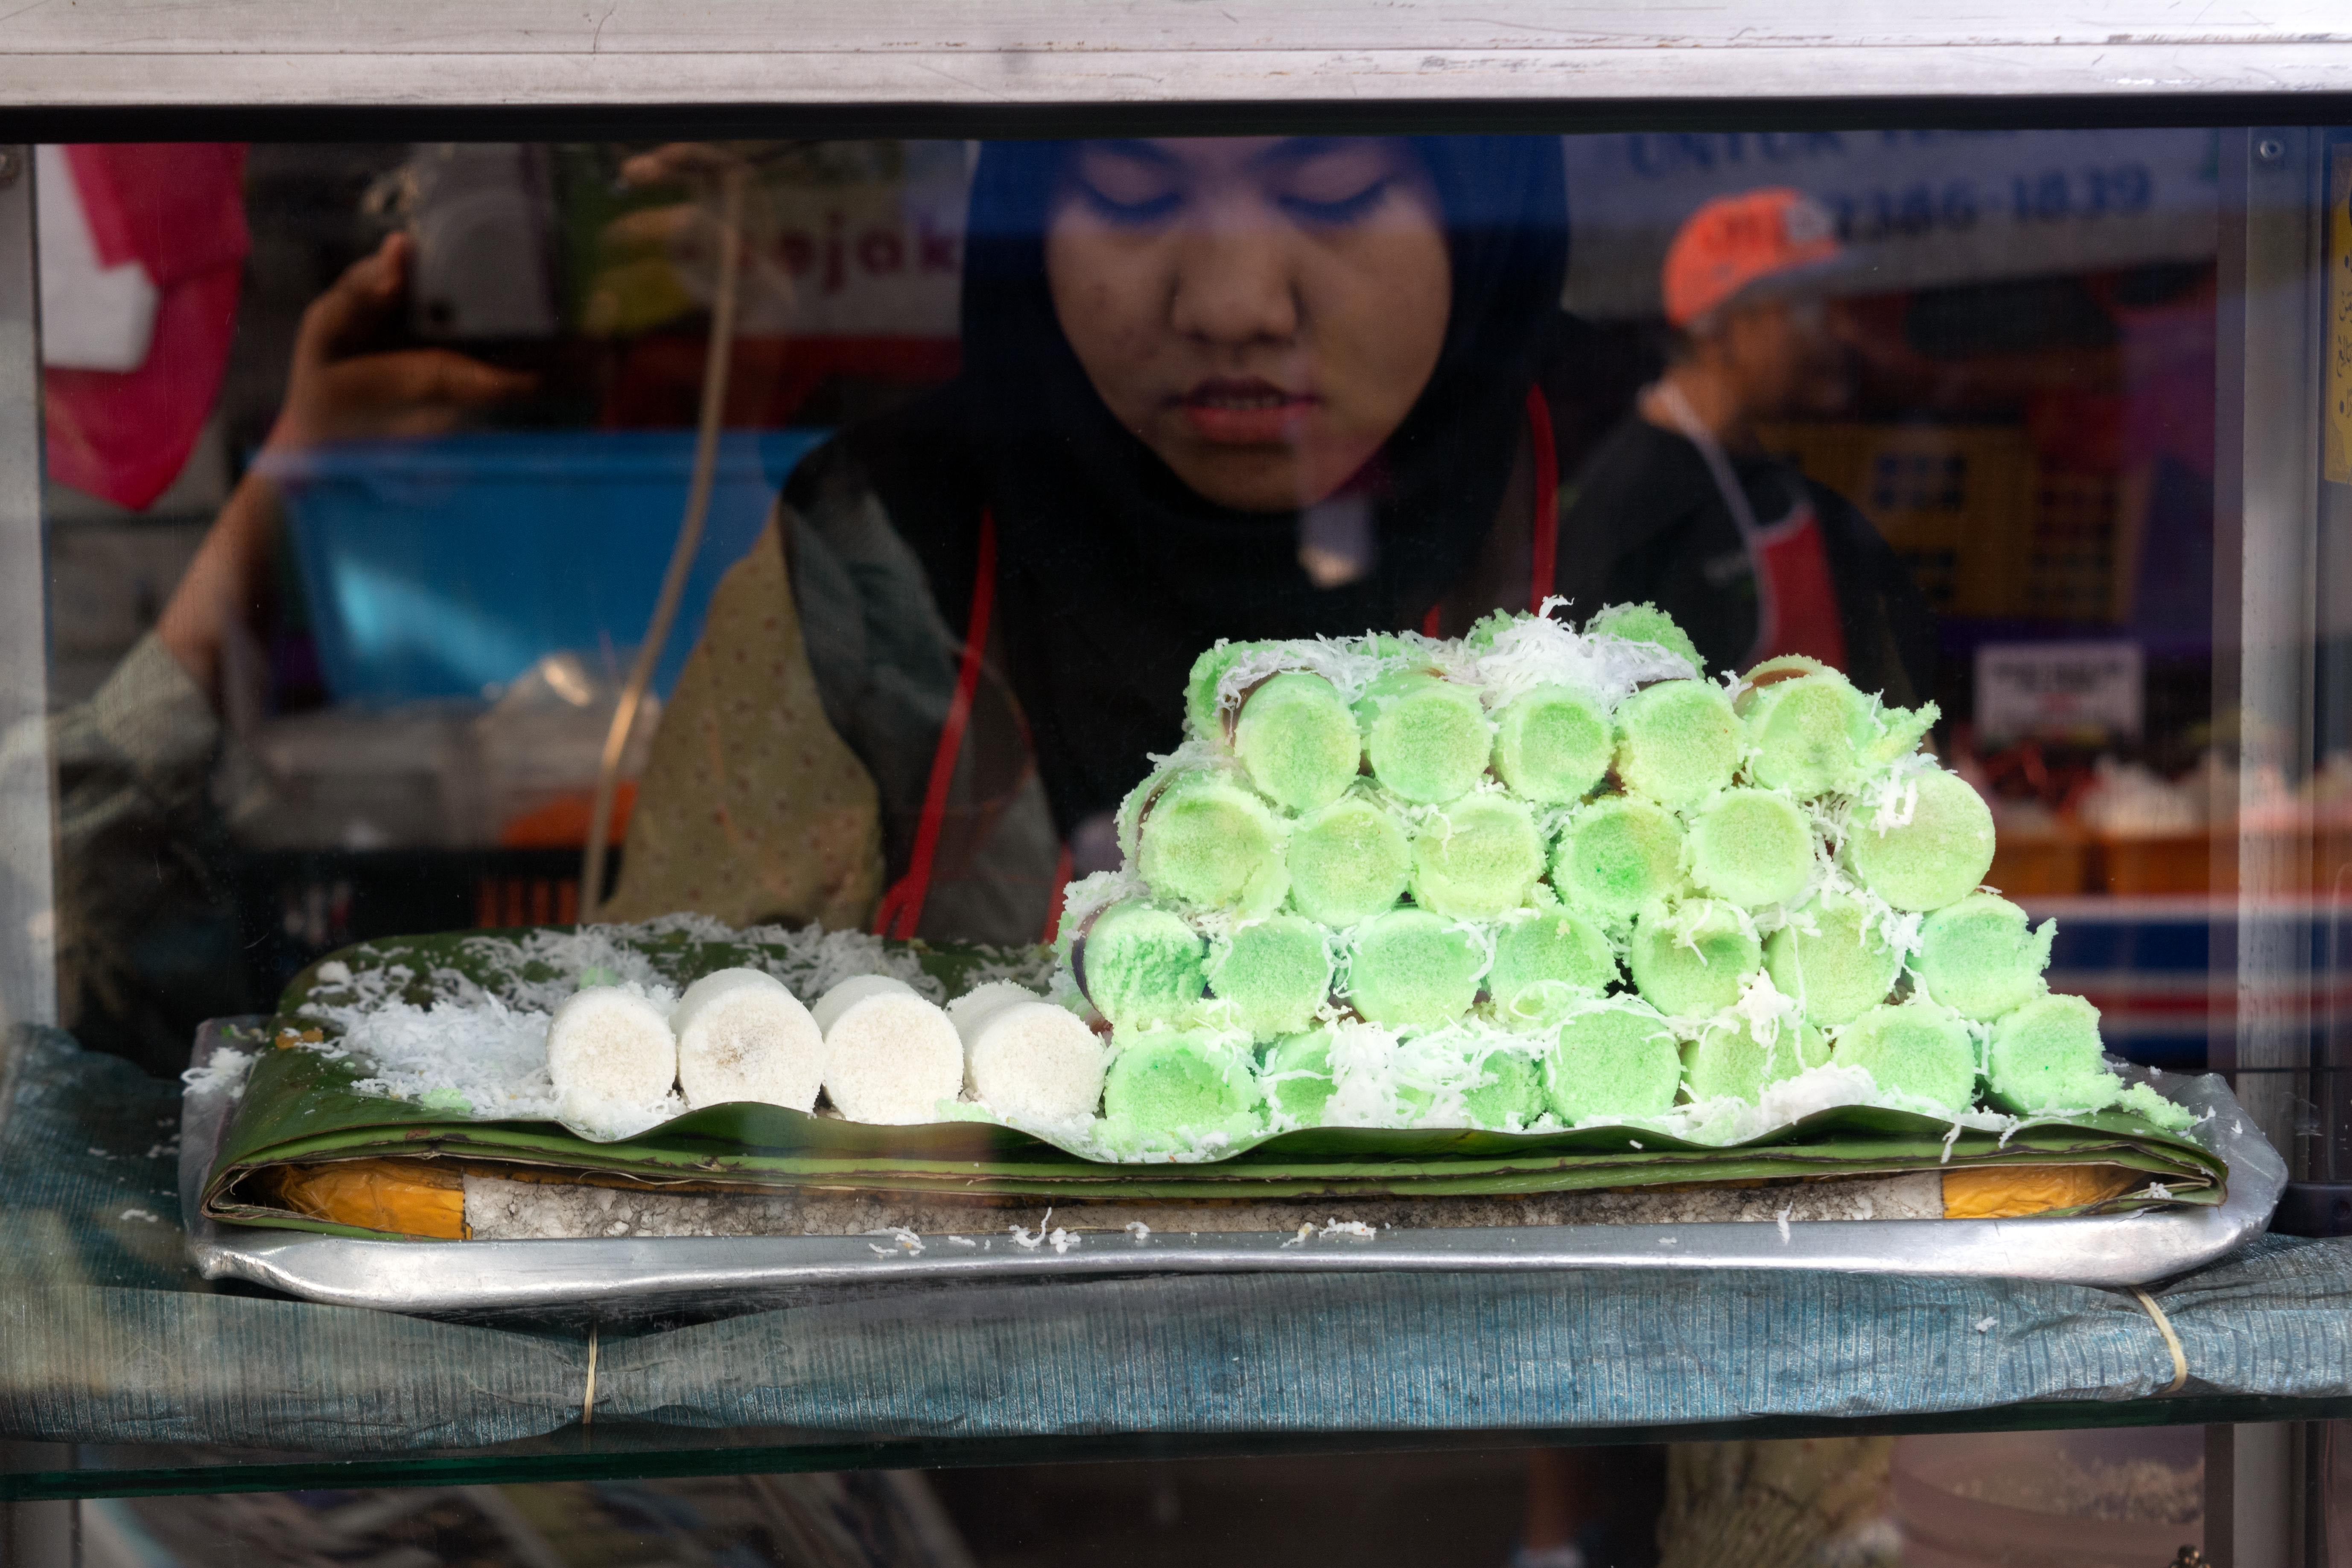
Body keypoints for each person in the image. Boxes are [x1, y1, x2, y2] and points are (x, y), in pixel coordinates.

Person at [1555, 187, 1933, 701]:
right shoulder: (1625, 500)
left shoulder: (1766, 466)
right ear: (1723, 330)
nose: (1838, 331)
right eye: (1807, 308)